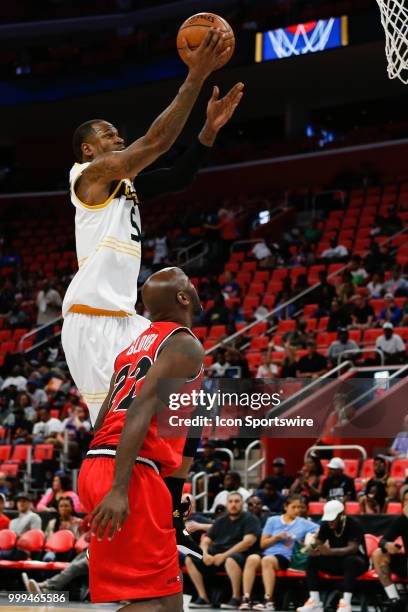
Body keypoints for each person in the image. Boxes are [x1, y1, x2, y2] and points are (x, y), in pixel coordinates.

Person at [61, 31, 243, 426]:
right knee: (118, 426)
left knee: (184, 384)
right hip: (93, 318)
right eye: (108, 134)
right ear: (88, 149)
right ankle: (109, 485)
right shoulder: (88, 177)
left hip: (126, 318)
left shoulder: (125, 184)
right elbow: (156, 142)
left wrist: (208, 130)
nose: (119, 137)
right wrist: (195, 76)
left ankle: (172, 486)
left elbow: (179, 176)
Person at [78, 267, 205, 609]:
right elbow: (139, 411)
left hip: (101, 464)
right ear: (182, 298)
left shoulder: (131, 349)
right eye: (189, 284)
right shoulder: (183, 344)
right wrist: (119, 488)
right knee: (164, 604)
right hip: (128, 473)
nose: (194, 289)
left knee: (161, 599)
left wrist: (167, 490)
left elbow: (103, 420)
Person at [240, 495, 319, 610]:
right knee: (251, 558)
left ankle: (268, 601)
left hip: (285, 557)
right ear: (286, 507)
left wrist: (311, 538)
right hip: (268, 553)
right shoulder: (272, 520)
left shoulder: (304, 523)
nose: (297, 510)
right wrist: (276, 538)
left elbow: (320, 529)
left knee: (267, 561)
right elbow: (263, 544)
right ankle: (246, 598)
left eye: (300, 507)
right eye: (294, 507)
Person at [185, 491, 260, 609]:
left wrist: (223, 556)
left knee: (231, 559)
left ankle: (236, 598)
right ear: (227, 504)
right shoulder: (221, 520)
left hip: (240, 554)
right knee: (190, 558)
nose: (233, 504)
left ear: (242, 504)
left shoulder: (250, 519)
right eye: (230, 502)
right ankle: (203, 597)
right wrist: (204, 554)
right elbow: (206, 541)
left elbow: (247, 542)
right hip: (217, 554)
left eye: (236, 501)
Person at [297, 500, 369, 612]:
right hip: (336, 562)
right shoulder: (326, 524)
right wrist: (312, 547)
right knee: (312, 560)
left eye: (333, 519)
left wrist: (329, 551)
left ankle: (346, 603)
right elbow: (318, 543)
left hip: (358, 562)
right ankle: (314, 601)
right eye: (328, 519)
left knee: (350, 561)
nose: (330, 522)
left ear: (342, 515)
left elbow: (353, 548)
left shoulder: (354, 524)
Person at [372, 497, 408, 611]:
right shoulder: (402, 520)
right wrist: (388, 545)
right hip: (406, 563)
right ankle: (394, 599)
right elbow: (382, 541)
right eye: (406, 501)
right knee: (378, 554)